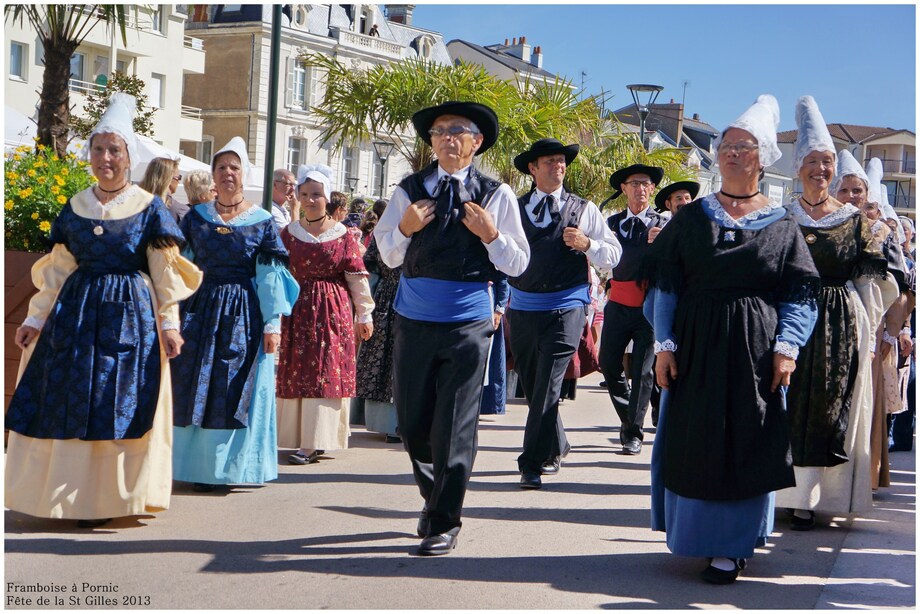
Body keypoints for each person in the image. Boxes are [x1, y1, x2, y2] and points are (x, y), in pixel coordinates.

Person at [5, 93, 202, 527]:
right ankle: (71, 498)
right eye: (98, 149)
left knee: (119, 402)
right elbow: (58, 269)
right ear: (89, 154)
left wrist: (169, 324)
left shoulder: (149, 208)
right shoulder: (75, 206)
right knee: (69, 399)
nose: (105, 158)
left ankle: (111, 498)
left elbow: (163, 271)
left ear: (128, 157)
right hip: (75, 316)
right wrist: (35, 319)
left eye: (114, 150)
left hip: (130, 317)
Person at [647, 95, 820, 584]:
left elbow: (800, 294)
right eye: (727, 145)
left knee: (749, 436)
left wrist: (787, 348)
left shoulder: (782, 224)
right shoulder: (692, 218)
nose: (733, 153)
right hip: (696, 343)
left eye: (744, 147)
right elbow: (667, 287)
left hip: (756, 347)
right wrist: (664, 345)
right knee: (695, 437)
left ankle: (734, 545)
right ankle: (696, 536)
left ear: (763, 159)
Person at [374, 100, 529, 555]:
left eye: (458, 130)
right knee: (415, 425)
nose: (447, 137)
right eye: (439, 131)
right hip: (414, 320)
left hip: (468, 324)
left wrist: (491, 236)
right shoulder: (408, 189)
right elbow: (387, 256)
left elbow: (519, 264)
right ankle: (433, 497)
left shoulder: (495, 194)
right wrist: (402, 228)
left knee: (457, 426)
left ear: (476, 142)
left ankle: (445, 520)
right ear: (431, 142)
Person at [775, 96, 891, 529]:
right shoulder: (779, 218)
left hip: (836, 324)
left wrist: (870, 325)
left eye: (827, 162)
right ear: (798, 165)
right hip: (785, 318)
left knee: (824, 408)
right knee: (782, 404)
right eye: (813, 161)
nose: (820, 170)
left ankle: (810, 497)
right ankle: (777, 490)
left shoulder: (855, 222)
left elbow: (875, 282)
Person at [170, 137, 299, 492]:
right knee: (194, 384)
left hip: (244, 312)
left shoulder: (261, 221)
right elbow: (182, 265)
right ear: (213, 175)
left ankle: (229, 469)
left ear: (245, 175)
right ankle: (194, 467)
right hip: (200, 310)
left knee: (233, 386)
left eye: (234, 167)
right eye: (221, 167)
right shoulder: (196, 218)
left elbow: (270, 276)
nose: (228, 173)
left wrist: (273, 323)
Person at [507, 138, 621, 489]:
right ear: (532, 168)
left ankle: (532, 462)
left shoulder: (583, 209)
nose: (559, 166)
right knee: (533, 386)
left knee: (549, 383)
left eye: (561, 161)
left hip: (567, 306)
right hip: (522, 306)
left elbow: (613, 254)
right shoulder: (514, 206)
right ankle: (557, 442)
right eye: (550, 161)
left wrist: (589, 245)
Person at [276, 164, 375, 465]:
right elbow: (277, 274)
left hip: (333, 311)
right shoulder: (289, 234)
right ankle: (301, 438)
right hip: (298, 310)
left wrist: (365, 314)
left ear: (326, 197)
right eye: (304, 194)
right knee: (300, 369)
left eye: (316, 194)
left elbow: (357, 276)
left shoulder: (343, 235)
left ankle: (317, 440)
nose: (309, 200)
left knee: (326, 371)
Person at [599, 163, 666, 454]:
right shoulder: (610, 223)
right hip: (617, 304)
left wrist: (665, 245)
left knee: (643, 370)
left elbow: (681, 262)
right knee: (608, 363)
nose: (640, 188)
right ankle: (630, 416)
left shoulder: (665, 224)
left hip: (650, 307)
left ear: (652, 189)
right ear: (624, 189)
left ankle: (633, 433)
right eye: (634, 183)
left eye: (646, 183)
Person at [355, 231, 402, 443]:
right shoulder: (385, 231)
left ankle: (402, 423)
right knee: (384, 360)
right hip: (388, 300)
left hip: (413, 299)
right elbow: (370, 269)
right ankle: (390, 424)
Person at [139, 156, 190, 223]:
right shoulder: (180, 210)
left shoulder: (134, 203)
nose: (179, 181)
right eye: (179, 177)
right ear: (168, 179)